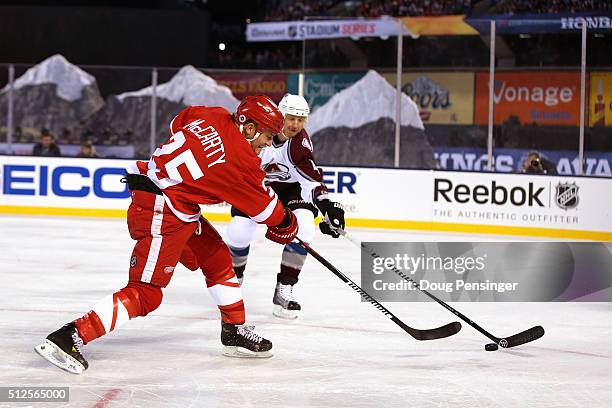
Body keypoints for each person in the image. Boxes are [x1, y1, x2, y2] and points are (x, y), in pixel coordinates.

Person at [35, 95, 300, 374]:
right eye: (268, 135)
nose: (268, 143)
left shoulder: (215, 115)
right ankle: (69, 336)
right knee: (146, 292)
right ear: (249, 128)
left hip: (174, 202)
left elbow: (178, 123)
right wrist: (288, 223)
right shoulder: (239, 161)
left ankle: (234, 330)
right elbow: (267, 210)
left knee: (216, 257)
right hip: (162, 210)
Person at [225, 94, 345, 319]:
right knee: (238, 230)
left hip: (290, 190)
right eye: (291, 118)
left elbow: (311, 178)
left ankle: (284, 290)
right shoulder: (256, 131)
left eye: (301, 120)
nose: (295, 125)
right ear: (279, 115)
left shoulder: (299, 144)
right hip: (256, 187)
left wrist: (328, 205)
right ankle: (234, 280)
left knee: (306, 228)